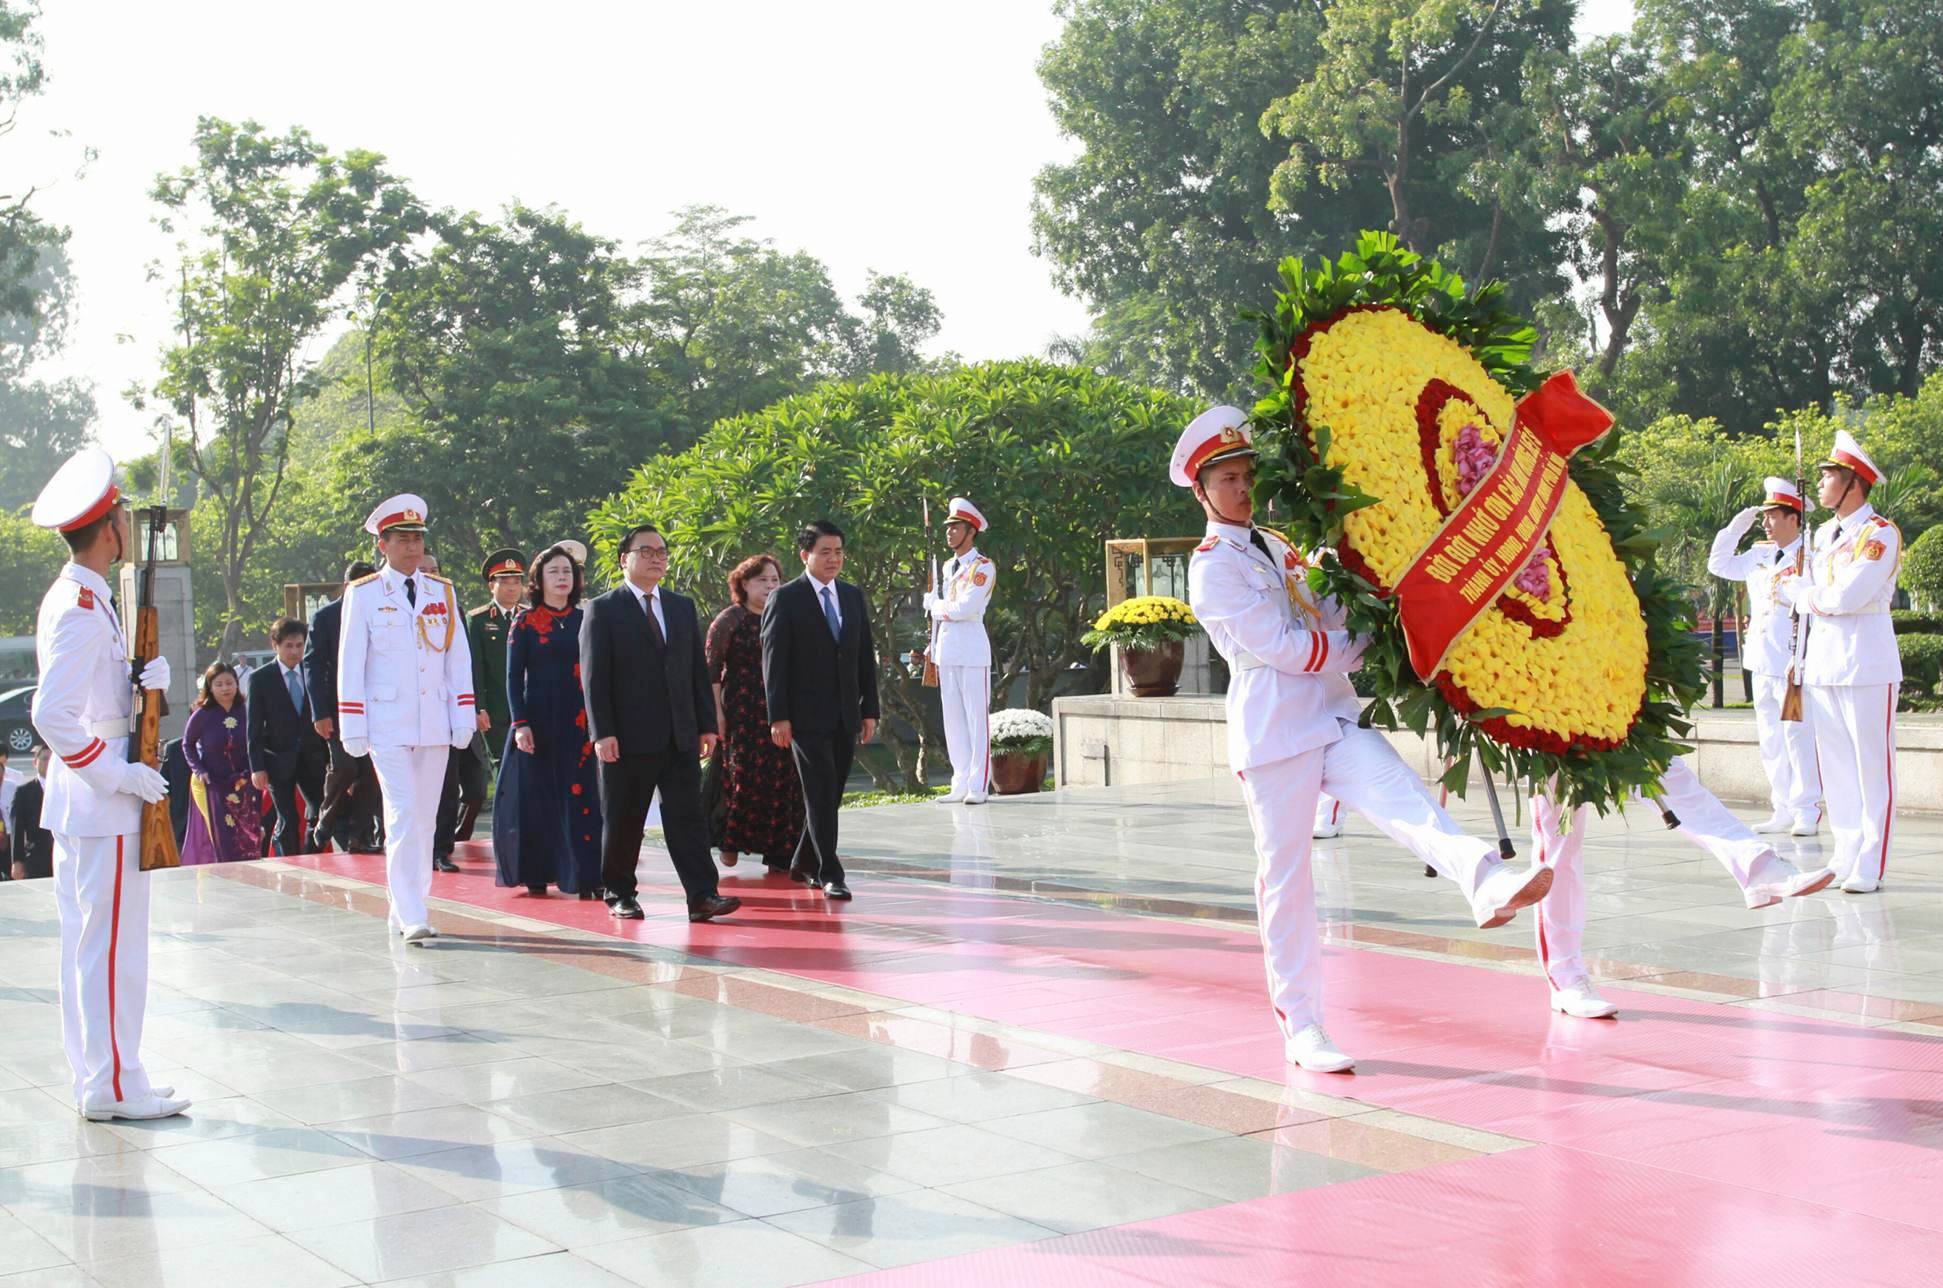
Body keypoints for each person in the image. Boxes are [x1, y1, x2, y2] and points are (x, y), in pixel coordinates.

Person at [1174, 406, 1552, 1073]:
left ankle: (1485, 882)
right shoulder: (1212, 567)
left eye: (1244, 475)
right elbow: (1280, 647)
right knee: (1286, 882)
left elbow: (1327, 608)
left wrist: (1368, 592)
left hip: (1333, 716)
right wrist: (1368, 644)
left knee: (1406, 800)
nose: (1240, 489)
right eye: (1226, 479)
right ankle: (1303, 1027)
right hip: (1275, 732)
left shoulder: (1279, 546)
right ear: (1200, 490)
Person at [28, 447, 188, 1120]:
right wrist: (117, 771)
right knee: (113, 950)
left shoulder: (82, 597)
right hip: (103, 802)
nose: (126, 525)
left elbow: (87, 697)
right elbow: (51, 713)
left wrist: (138, 685)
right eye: (121, 516)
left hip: (86, 805)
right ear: (108, 528)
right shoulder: (79, 607)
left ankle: (105, 1076)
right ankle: (114, 1085)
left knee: (89, 949)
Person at [1530, 758, 1834, 1017]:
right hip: (1542, 709)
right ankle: (1566, 974)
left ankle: (1758, 865)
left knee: (1668, 774)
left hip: (1607, 696)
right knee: (1560, 836)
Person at [582, 523, 740, 923]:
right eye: (646, 551)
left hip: (679, 734)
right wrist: (602, 732)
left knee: (687, 818)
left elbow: (695, 671)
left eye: (662, 552)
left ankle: (703, 896)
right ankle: (619, 892)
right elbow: (594, 678)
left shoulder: (680, 606)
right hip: (627, 737)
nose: (656, 559)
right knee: (624, 819)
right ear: (625, 559)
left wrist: (706, 724)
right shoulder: (603, 609)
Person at [337, 494, 476, 943]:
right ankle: (411, 910)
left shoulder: (443, 591)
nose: (413, 547)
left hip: (433, 718)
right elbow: (350, 661)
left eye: (417, 538)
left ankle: (410, 904)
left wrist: (463, 713)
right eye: (403, 539)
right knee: (401, 813)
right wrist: (352, 724)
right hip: (387, 721)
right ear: (383, 544)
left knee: (426, 818)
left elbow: (458, 659)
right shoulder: (364, 594)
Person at [1776, 429, 1903, 894]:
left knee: (1872, 767)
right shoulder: (1824, 534)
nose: (1823, 481)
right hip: (1825, 663)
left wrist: (1803, 595)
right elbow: (1807, 595)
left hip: (1867, 662)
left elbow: (1849, 596)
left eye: (1831, 475)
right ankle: (1844, 852)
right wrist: (1799, 657)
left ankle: (1870, 859)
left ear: (1854, 484)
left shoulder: (1879, 534)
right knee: (1836, 768)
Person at [762, 519, 880, 901]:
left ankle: (803, 861)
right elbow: (773, 662)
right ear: (805, 555)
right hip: (804, 717)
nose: (834, 559)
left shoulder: (851, 596)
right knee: (819, 792)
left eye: (839, 552)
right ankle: (831, 871)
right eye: (825, 552)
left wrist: (869, 710)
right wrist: (777, 715)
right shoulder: (785, 598)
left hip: (845, 713)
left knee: (831, 794)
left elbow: (863, 656)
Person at [1707, 477, 1821, 834]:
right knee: (1771, 737)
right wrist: (1735, 528)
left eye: (1773, 516)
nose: (1766, 523)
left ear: (1793, 518)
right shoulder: (1758, 554)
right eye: (1765, 517)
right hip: (1760, 659)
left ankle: (1806, 811)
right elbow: (1719, 565)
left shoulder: (1811, 555)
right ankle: (1782, 807)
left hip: (1793, 661)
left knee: (1797, 737)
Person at [493, 544, 603, 898]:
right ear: (538, 579)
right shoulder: (524, 622)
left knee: (582, 797)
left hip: (580, 722)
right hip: (536, 722)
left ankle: (586, 876)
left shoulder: (587, 619)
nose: (562, 578)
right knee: (536, 799)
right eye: (554, 571)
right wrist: (519, 723)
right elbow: (512, 677)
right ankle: (536, 873)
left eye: (568, 572)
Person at [706, 554, 804, 874]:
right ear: (744, 584)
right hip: (742, 712)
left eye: (775, 580)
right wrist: (716, 713)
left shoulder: (786, 616)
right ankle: (731, 841)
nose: (770, 586)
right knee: (742, 778)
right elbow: (711, 671)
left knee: (783, 779)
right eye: (762, 580)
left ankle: (779, 852)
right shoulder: (730, 619)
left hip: (780, 710)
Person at [924, 497, 997, 804]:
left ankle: (979, 785)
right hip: (947, 651)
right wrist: (932, 646)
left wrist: (935, 606)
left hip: (971, 649)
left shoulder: (983, 567)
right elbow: (945, 614)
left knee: (976, 720)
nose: (949, 533)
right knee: (952, 720)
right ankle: (960, 781)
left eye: (956, 528)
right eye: (948, 528)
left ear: (971, 532)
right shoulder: (945, 566)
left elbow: (967, 608)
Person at [308, 561, 384, 853]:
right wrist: (319, 713)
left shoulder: (382, 613)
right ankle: (326, 820)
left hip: (375, 706)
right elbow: (312, 665)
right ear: (347, 587)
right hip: (337, 708)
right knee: (345, 765)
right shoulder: (326, 617)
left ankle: (357, 835)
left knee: (370, 773)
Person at [246, 618, 328, 856]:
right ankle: (289, 862)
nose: (294, 651)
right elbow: (253, 727)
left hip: (312, 756)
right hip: (278, 758)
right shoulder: (261, 678)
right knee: (287, 817)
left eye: (299, 645)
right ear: (276, 646)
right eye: (289, 646)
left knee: (318, 811)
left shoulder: (313, 672)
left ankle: (314, 859)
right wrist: (257, 767)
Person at [179, 662, 264, 865]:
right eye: (219, 684)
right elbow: (187, 745)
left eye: (229, 683)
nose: (225, 688)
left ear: (237, 684)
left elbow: (258, 740)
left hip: (245, 783)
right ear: (210, 687)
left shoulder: (246, 711)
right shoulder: (202, 715)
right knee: (222, 833)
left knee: (248, 832)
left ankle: (250, 875)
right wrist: (199, 769)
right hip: (214, 784)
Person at [466, 546, 524, 775]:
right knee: (502, 766)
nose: (512, 587)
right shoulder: (478, 620)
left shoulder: (529, 616)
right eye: (505, 581)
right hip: (494, 708)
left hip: (525, 705)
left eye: (516, 581)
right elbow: (475, 668)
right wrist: (478, 707)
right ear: (492, 585)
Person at [9, 746, 53, 880]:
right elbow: (17, 828)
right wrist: (17, 861)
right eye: (45, 758)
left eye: (52, 759)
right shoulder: (24, 792)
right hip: (36, 858)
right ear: (35, 762)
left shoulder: (66, 789)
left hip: (65, 854)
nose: (49, 762)